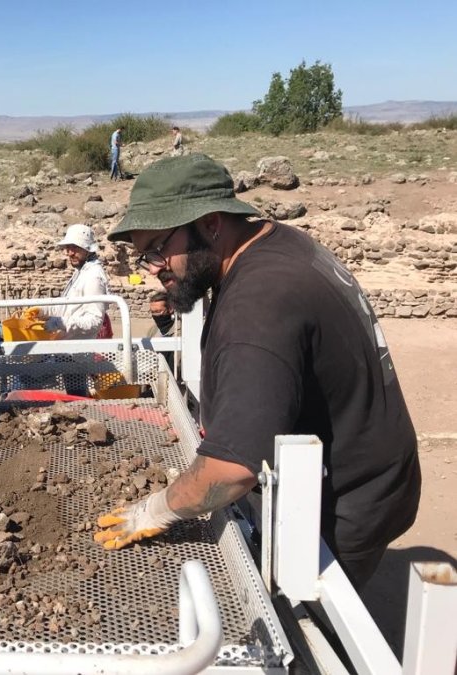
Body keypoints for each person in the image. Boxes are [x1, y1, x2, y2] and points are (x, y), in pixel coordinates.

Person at [95, 153, 421, 590]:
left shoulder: (258, 306)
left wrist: (155, 509)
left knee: (312, 627)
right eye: (143, 256)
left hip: (345, 502)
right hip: (379, 470)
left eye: (157, 248)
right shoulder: (277, 242)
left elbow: (232, 469)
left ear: (211, 223)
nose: (152, 268)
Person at [39, 223, 109, 396]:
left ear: (87, 249)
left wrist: (61, 323)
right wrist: (42, 311)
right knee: (74, 394)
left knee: (77, 396)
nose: (69, 252)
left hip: (77, 351)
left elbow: (94, 321)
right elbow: (68, 305)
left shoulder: (93, 276)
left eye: (75, 248)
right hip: (69, 348)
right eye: (68, 247)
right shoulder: (82, 271)